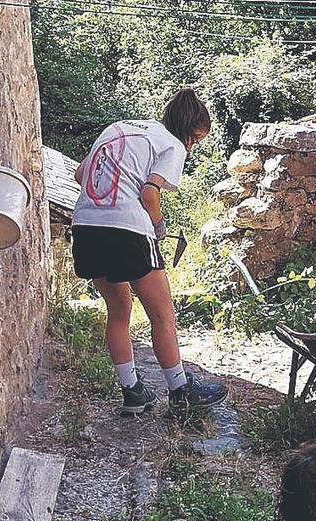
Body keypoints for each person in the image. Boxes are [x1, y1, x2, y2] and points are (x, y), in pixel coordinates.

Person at [71, 88, 227, 416]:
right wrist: (158, 225)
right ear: (188, 131)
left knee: (119, 309)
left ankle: (132, 392)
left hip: (86, 225)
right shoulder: (171, 143)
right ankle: (180, 390)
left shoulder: (119, 127)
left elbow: (80, 174)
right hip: (127, 229)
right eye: (195, 140)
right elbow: (149, 194)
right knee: (162, 314)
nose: (192, 146)